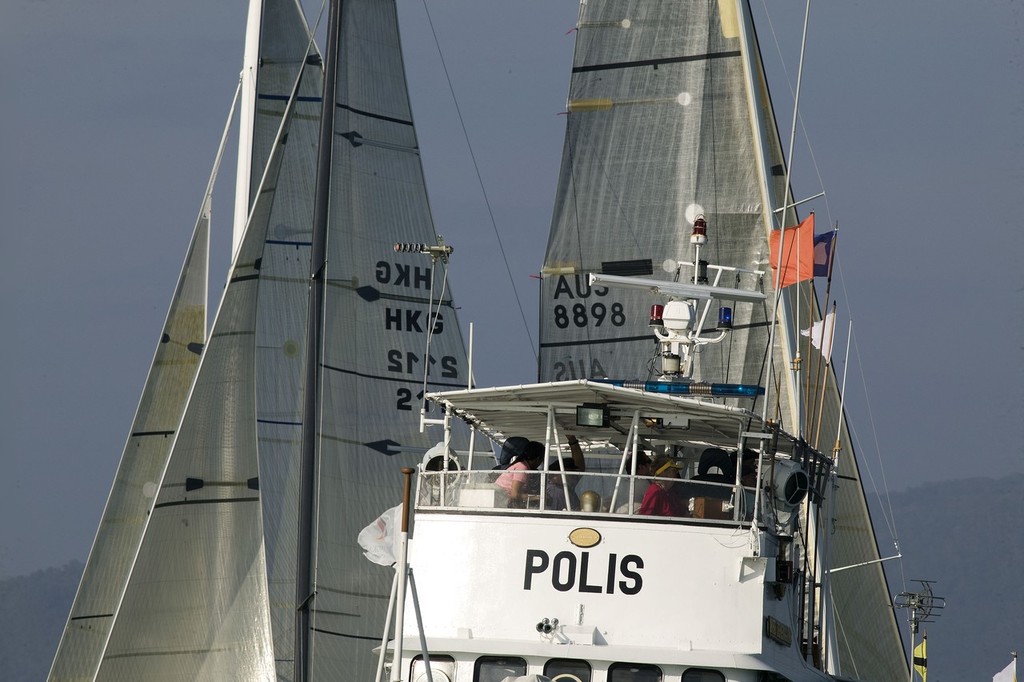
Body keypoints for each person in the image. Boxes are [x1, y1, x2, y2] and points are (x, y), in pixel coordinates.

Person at [494, 439, 544, 507]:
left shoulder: (520, 464)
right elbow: (514, 494)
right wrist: (537, 498)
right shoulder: (523, 468)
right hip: (501, 501)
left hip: (501, 499)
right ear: (538, 459)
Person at [544, 435, 585, 511]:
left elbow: (580, 467)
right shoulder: (556, 491)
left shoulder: (566, 485)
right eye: (570, 473)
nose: (573, 475)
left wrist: (573, 441)